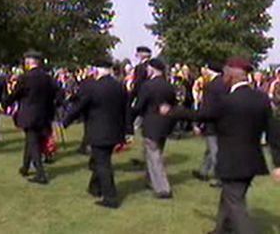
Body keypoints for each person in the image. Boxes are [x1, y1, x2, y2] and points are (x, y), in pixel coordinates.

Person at [162, 58, 280, 234]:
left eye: (225, 74)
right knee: (229, 196)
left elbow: (201, 115)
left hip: (232, 161)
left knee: (235, 203)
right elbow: (273, 132)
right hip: (252, 161)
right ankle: (221, 230)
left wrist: (171, 111)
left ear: (231, 76)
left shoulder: (227, 101)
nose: (223, 77)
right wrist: (278, 163)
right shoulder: (261, 99)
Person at [63, 58, 127, 209]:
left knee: (103, 164)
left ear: (97, 70)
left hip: (99, 130)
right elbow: (126, 110)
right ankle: (94, 187)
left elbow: (80, 106)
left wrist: (67, 120)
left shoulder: (94, 87)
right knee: (100, 160)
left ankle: (110, 197)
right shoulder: (120, 87)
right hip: (115, 130)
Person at [2, 50, 59, 185]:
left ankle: (41, 173)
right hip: (44, 114)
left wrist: (3, 104)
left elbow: (16, 94)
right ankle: (25, 168)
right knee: (31, 141)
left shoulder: (25, 77)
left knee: (33, 143)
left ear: (28, 63)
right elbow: (56, 94)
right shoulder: (48, 77)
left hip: (29, 114)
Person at [131, 58, 176, 199]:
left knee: (154, 155)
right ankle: (150, 180)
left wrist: (130, 116)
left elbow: (139, 105)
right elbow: (173, 104)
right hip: (165, 124)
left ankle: (163, 188)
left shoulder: (148, 86)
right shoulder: (168, 86)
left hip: (151, 123)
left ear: (153, 69)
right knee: (155, 153)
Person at [191, 63, 229, 186]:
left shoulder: (211, 86)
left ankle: (222, 178)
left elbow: (206, 107)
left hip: (212, 122)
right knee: (210, 149)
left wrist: (198, 122)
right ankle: (203, 171)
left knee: (214, 151)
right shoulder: (226, 83)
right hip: (224, 120)